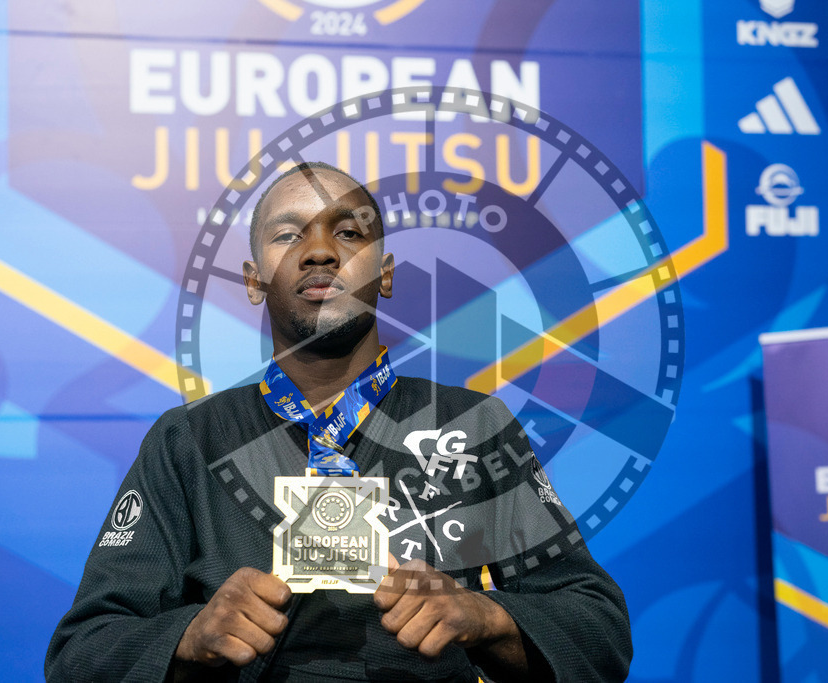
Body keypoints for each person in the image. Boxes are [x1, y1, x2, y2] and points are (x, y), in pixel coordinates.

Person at [45, 161, 632, 682]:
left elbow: (599, 629)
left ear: (387, 275)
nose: (320, 251)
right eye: (288, 234)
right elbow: (80, 653)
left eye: (348, 233)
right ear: (253, 280)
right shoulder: (189, 441)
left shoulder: (474, 425)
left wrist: (488, 618)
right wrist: (188, 638)